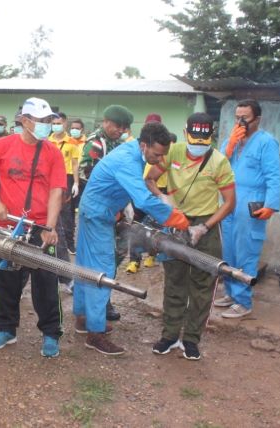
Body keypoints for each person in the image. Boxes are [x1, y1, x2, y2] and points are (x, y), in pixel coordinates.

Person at [74, 122, 189, 356]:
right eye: (156, 154)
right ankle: (95, 334)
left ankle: (83, 318)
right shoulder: (129, 160)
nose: (158, 160)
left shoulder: (132, 154)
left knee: (86, 266)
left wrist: (119, 207)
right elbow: (144, 200)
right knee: (102, 270)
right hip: (97, 215)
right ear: (144, 145)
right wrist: (176, 218)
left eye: (163, 155)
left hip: (95, 210)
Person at [0, 97, 66, 358]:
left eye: (49, 121)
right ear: (25, 121)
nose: (47, 126)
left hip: (39, 228)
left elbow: (56, 191)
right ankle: (6, 328)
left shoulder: (53, 153)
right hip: (7, 226)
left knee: (46, 283)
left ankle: (51, 333)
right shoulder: (2, 146)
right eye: (42, 121)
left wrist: (50, 227)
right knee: (5, 279)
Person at [146, 113, 235, 360]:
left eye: (203, 140)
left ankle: (191, 339)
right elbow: (150, 178)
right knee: (174, 281)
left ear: (211, 137)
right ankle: (170, 335)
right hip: (177, 223)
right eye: (194, 139)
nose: (197, 145)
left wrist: (204, 227)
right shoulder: (173, 152)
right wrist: (165, 201)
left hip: (205, 226)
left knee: (202, 285)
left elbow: (229, 203)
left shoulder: (219, 162)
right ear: (185, 133)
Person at [216, 99, 280, 318]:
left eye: (244, 117)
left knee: (246, 250)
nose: (240, 122)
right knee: (229, 250)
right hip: (228, 200)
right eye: (237, 117)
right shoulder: (230, 141)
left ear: (258, 119)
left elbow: (274, 176)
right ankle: (231, 292)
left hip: (251, 202)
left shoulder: (266, 142)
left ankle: (243, 302)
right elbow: (216, 166)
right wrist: (229, 146)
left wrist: (271, 205)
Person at [79, 105, 134, 321]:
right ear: (107, 122)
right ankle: (96, 306)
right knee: (100, 259)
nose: (120, 130)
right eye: (118, 126)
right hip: (99, 210)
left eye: (124, 128)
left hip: (115, 209)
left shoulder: (117, 144)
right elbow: (87, 174)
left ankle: (103, 299)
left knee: (116, 254)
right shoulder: (95, 143)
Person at [127, 113, 164, 274]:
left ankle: (152, 255)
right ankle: (134, 261)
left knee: (154, 228)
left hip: (156, 191)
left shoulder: (162, 149)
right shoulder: (135, 146)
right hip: (137, 190)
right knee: (135, 227)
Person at [48, 112, 80, 254]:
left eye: (59, 123)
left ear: (65, 123)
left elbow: (75, 164)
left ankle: (69, 243)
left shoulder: (72, 142)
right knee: (49, 208)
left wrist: (76, 183)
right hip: (50, 178)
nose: (56, 126)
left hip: (66, 178)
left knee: (67, 213)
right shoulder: (47, 140)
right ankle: (49, 239)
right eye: (54, 124)